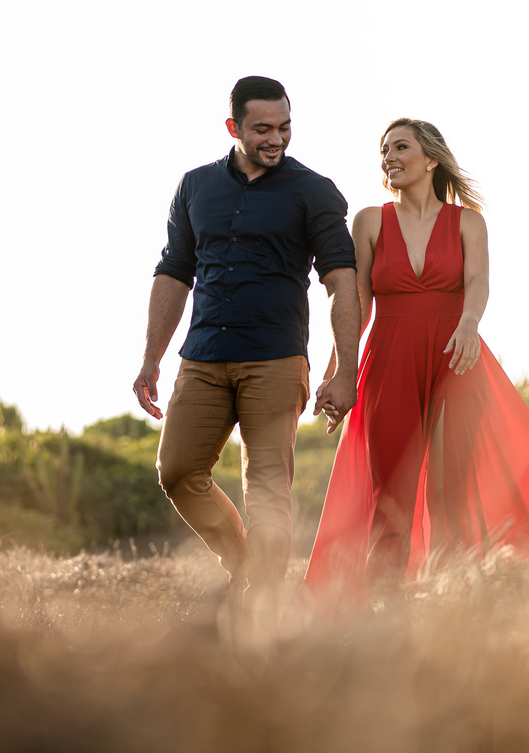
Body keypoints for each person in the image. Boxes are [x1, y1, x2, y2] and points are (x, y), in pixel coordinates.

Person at [303, 118, 529, 603]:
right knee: (388, 492)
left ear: (430, 158)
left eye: (400, 147)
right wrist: (338, 370)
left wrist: (469, 323)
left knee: (450, 488)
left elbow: (478, 281)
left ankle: (448, 597)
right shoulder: (370, 221)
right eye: (383, 151)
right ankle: (385, 605)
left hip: (455, 355)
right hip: (389, 358)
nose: (388, 157)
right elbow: (358, 300)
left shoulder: (468, 222)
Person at [133, 76, 361, 618]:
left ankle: (259, 608)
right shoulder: (195, 187)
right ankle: (242, 563)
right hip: (203, 356)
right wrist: (151, 357)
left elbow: (342, 282)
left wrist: (344, 369)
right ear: (234, 127)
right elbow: (174, 271)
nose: (276, 139)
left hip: (276, 360)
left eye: (284, 127)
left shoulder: (314, 191)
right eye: (262, 129)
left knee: (267, 491)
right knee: (176, 470)